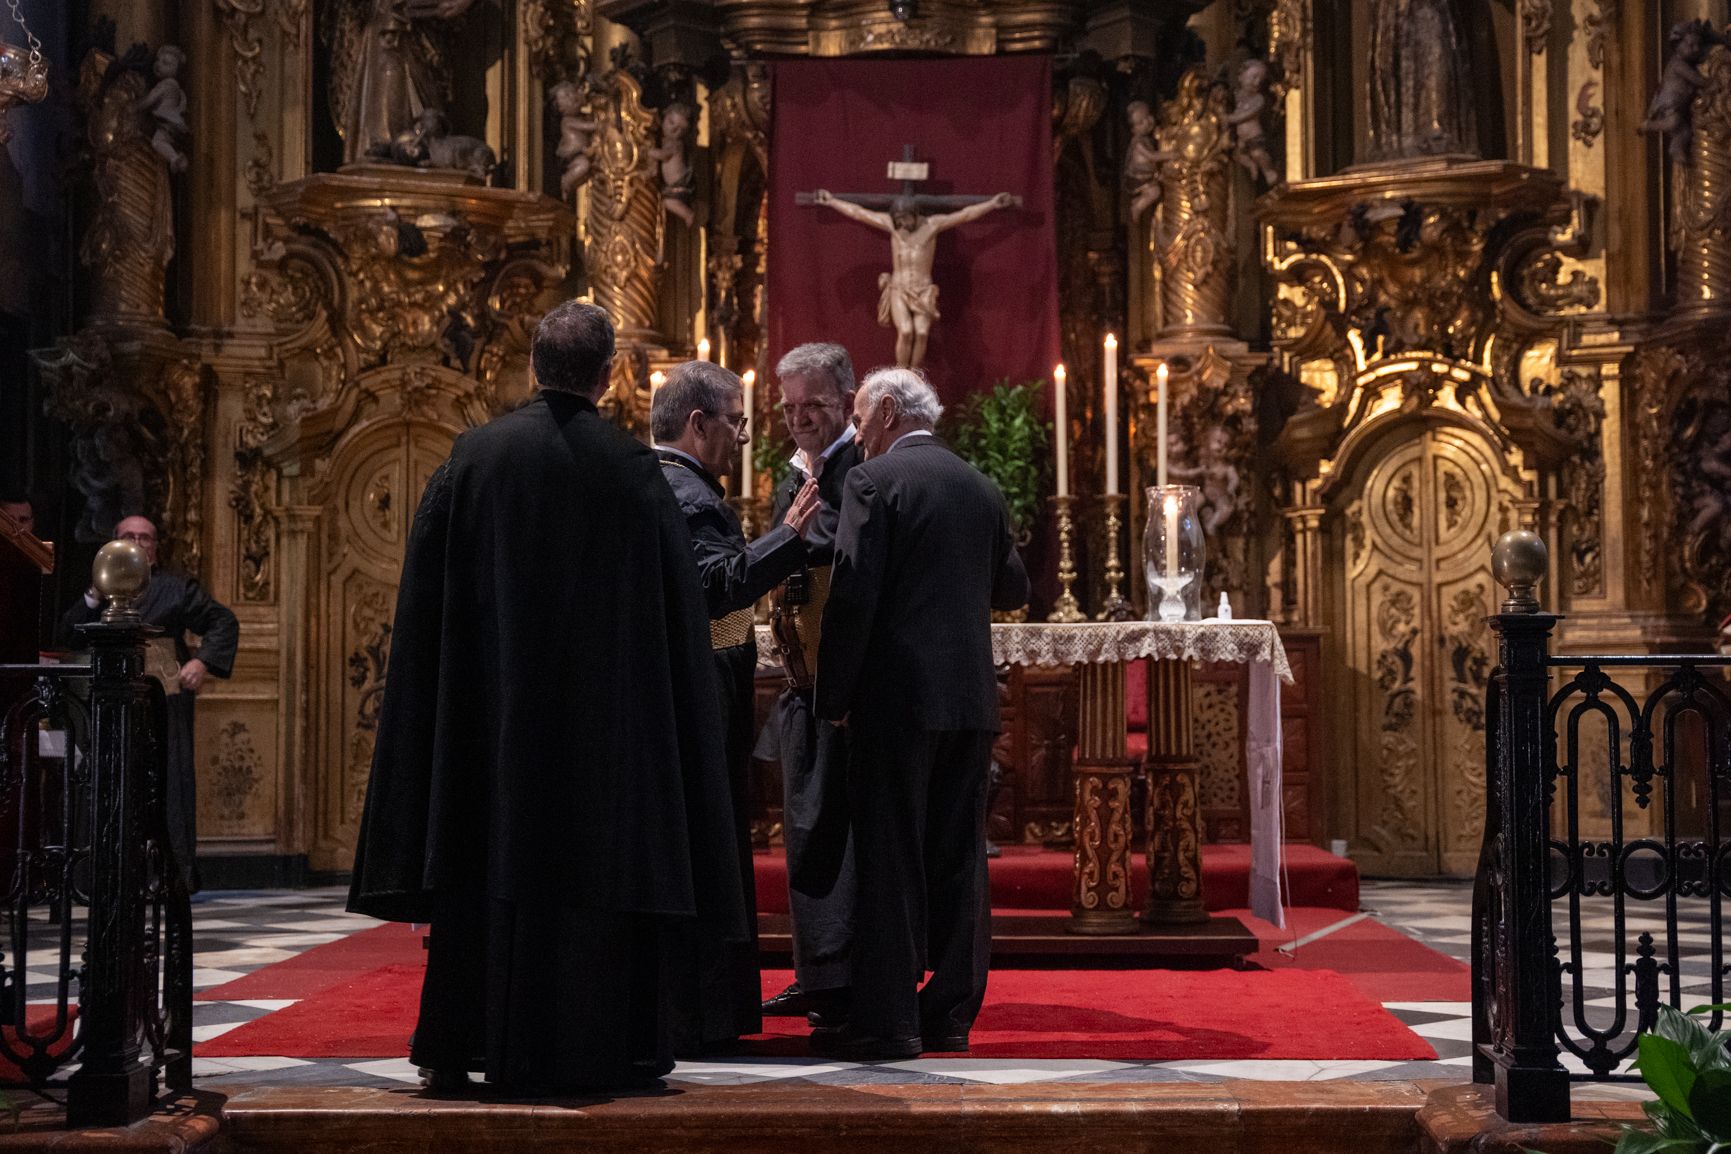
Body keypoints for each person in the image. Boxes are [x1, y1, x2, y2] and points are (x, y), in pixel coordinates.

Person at [347, 301, 748, 1093]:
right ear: (608, 376)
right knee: (598, 885)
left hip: (488, 725)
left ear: (533, 366)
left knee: (483, 867)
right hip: (605, 740)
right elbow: (679, 622)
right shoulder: (633, 471)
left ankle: (464, 1041)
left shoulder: (474, 457)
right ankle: (612, 1049)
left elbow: (425, 607)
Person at [812, 367, 1028, 1061]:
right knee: (960, 855)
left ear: (882, 411)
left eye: (856, 415)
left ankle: (890, 1021)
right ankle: (951, 1015)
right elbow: (1012, 588)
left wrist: (833, 699)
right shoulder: (980, 485)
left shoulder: (873, 484)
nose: (854, 430)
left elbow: (850, 601)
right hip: (969, 700)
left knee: (889, 855)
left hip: (895, 703)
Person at [650, 359, 821, 1053]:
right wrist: (788, 538)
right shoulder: (684, 493)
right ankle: (702, 1015)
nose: (742, 438)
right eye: (734, 422)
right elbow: (715, 589)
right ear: (698, 423)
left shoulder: (668, 482)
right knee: (710, 844)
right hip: (701, 689)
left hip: (694, 680)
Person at [757, 342, 864, 1027]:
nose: (800, 420)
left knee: (843, 840)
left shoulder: (864, 470)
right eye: (790, 408)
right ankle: (815, 972)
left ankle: (846, 980)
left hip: (850, 692)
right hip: (803, 686)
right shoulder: (790, 474)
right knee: (804, 834)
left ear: (846, 403)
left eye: (814, 406)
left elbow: (833, 549)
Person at [57, 515, 238, 893]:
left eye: (145, 538)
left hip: (163, 707)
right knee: (102, 782)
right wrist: (92, 595)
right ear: (112, 544)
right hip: (104, 707)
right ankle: (95, 876)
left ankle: (170, 876)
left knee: (167, 787)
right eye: (128, 537)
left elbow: (222, 621)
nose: (137, 544)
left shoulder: (174, 588)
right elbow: (66, 634)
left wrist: (201, 661)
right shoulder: (100, 591)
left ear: (155, 549)